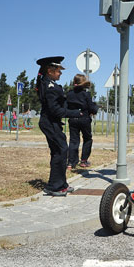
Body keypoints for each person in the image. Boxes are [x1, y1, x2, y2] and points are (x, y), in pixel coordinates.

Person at [36, 56, 82, 196]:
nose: (60, 73)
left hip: (51, 123)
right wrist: (74, 113)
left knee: (60, 151)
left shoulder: (49, 83)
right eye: (58, 70)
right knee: (61, 151)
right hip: (50, 123)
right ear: (50, 71)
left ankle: (61, 183)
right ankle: (54, 186)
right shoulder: (50, 87)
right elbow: (55, 110)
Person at [67, 74, 99, 169]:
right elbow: (91, 107)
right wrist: (95, 109)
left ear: (74, 82)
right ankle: (83, 161)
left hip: (73, 118)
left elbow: (66, 106)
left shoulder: (69, 94)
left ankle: (70, 163)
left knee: (73, 141)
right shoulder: (86, 94)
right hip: (84, 119)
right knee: (87, 139)